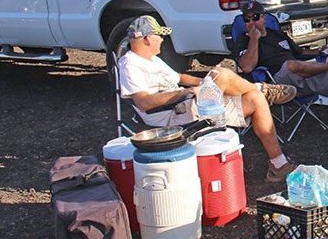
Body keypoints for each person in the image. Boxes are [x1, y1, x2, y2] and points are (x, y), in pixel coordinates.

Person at [117, 15, 301, 183]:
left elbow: (179, 77)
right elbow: (143, 102)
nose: (162, 40)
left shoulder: (151, 59)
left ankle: (279, 164)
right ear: (148, 39)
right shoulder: (130, 64)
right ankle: (262, 88)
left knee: (254, 98)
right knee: (221, 74)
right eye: (159, 36)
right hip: (171, 116)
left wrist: (203, 82)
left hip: (188, 104)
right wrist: (186, 92)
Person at [233, 0, 328, 137]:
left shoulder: (277, 34)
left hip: (299, 76)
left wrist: (321, 51)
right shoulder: (244, 40)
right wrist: (254, 38)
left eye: (255, 17)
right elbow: (247, 67)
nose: (251, 22)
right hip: (276, 86)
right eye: (247, 19)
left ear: (264, 18)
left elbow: (299, 52)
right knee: (291, 65)